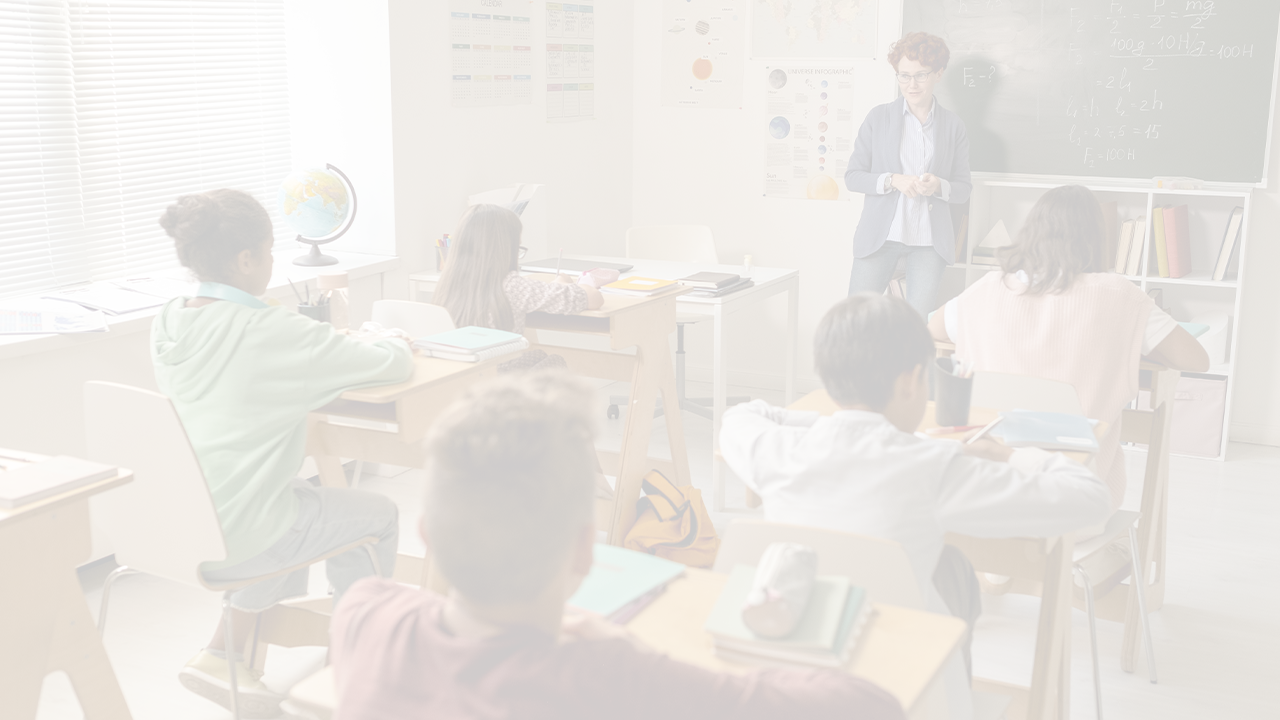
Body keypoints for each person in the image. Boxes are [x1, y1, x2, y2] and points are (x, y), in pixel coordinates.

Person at [330, 372, 906, 720]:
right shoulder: (606, 678)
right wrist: (633, 655)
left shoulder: (364, 613)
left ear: (425, 532)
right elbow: (868, 707)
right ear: (585, 551)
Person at [719, 293, 1113, 720]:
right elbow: (1091, 499)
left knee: (949, 567)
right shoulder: (934, 468)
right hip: (899, 677)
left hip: (791, 663)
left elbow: (742, 415)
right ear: (911, 381)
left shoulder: (776, 452)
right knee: (954, 570)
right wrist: (1007, 455)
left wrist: (834, 426)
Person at [152, 189, 414, 716]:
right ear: (245, 259)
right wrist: (395, 340)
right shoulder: (271, 329)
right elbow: (392, 365)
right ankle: (353, 667)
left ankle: (225, 649)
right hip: (244, 536)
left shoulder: (170, 321)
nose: (272, 263)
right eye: (270, 252)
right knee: (378, 517)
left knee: (289, 499)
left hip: (185, 525)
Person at [929, 185, 1210, 509]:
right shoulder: (1120, 297)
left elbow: (933, 329)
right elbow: (1196, 359)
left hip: (984, 499)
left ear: (1031, 231)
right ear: (1096, 238)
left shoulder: (986, 289)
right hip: (1073, 506)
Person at [845, 31, 972, 317]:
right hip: (880, 238)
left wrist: (940, 186)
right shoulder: (878, 118)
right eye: (904, 76)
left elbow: (964, 188)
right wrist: (892, 180)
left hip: (929, 243)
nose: (911, 85)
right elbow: (853, 176)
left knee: (917, 327)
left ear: (938, 74)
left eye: (921, 75)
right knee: (855, 319)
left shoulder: (953, 126)